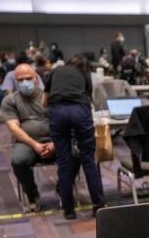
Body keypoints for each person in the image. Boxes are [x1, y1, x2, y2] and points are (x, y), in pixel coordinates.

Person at [44, 54, 105, 219]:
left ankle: (69, 210)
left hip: (57, 111)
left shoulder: (56, 71)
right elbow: (89, 98)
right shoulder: (83, 74)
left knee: (63, 161)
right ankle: (98, 205)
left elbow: (45, 99)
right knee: (88, 160)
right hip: (79, 110)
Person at [0, 63, 55, 212]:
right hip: (27, 143)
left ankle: (63, 188)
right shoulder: (10, 101)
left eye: (28, 78)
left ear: (36, 78)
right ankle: (32, 194)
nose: (25, 83)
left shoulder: (49, 96)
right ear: (16, 81)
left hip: (54, 139)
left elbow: (61, 122)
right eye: (20, 80)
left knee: (76, 154)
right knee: (18, 161)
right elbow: (14, 128)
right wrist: (35, 144)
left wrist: (54, 143)